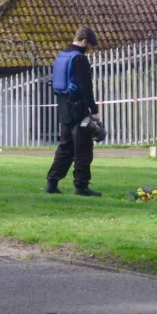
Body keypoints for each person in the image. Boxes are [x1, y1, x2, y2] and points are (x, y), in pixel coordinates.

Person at [46, 27, 102, 196]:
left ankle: (52, 181)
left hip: (63, 106)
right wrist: (94, 110)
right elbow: (86, 87)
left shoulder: (61, 56)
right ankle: (81, 185)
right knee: (83, 147)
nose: (89, 50)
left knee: (65, 146)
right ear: (84, 42)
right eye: (90, 46)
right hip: (78, 107)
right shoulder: (80, 59)